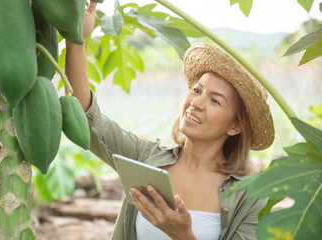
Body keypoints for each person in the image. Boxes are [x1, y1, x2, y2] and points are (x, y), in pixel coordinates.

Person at [65, 2, 275, 240]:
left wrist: (183, 234)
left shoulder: (251, 195)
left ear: (235, 126)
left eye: (215, 101)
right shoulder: (145, 158)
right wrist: (76, 40)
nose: (196, 102)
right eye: (197, 91)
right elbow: (85, 115)